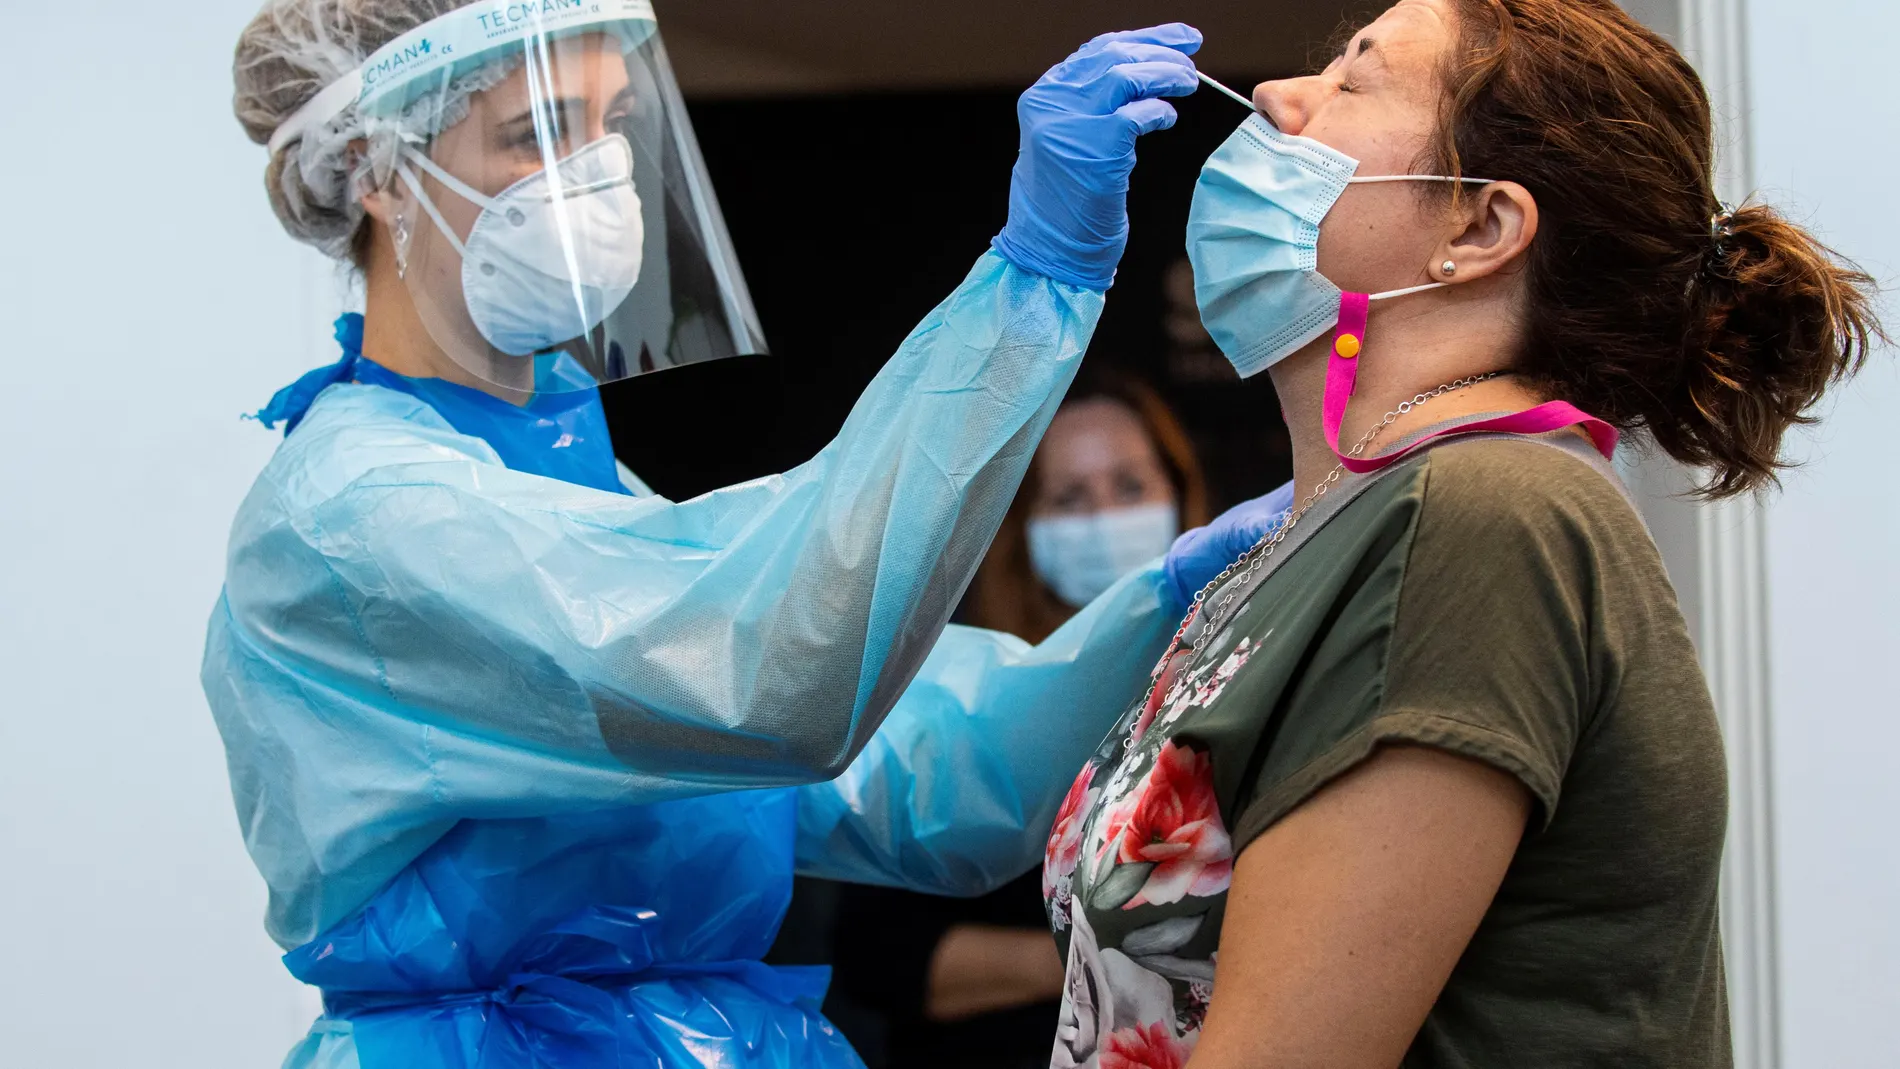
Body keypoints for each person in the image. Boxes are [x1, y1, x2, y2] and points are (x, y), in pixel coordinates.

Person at [204, 5, 1273, 1067]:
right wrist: (1034, 277)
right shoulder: (355, 514)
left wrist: (1170, 607)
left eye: (609, 124)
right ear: (372, 169)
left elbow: (932, 784)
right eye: (535, 134)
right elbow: (764, 681)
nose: (593, 173)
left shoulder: (565, 480)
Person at [1040, 1, 1883, 1067]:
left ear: (1478, 229)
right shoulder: (1345, 523)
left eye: (1354, 79)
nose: (1272, 97)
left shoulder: (1487, 517)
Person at [828, 373, 1272, 1068]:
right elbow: (877, 954)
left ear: (1181, 494)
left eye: (1129, 486)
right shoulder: (967, 704)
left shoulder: (1247, 676)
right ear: (1022, 528)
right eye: (1069, 498)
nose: (1103, 515)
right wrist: (1108, 960)